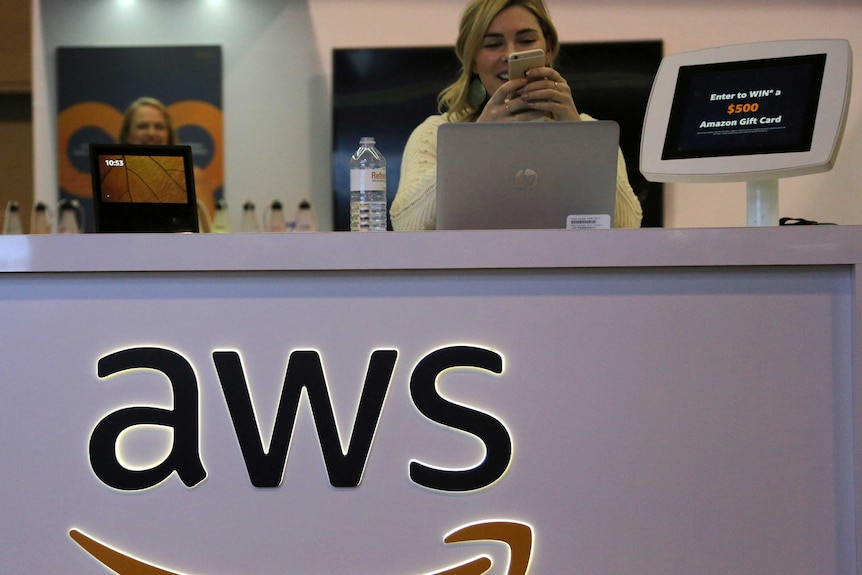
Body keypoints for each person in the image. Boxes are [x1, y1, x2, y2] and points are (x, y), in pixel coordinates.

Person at [390, 0, 643, 230]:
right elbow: (405, 224)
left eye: (526, 41)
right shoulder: (438, 133)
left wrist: (575, 134)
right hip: (472, 276)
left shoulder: (589, 130)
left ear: (548, 50)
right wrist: (475, 141)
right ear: (473, 60)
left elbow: (628, 226)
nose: (510, 54)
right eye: (492, 44)